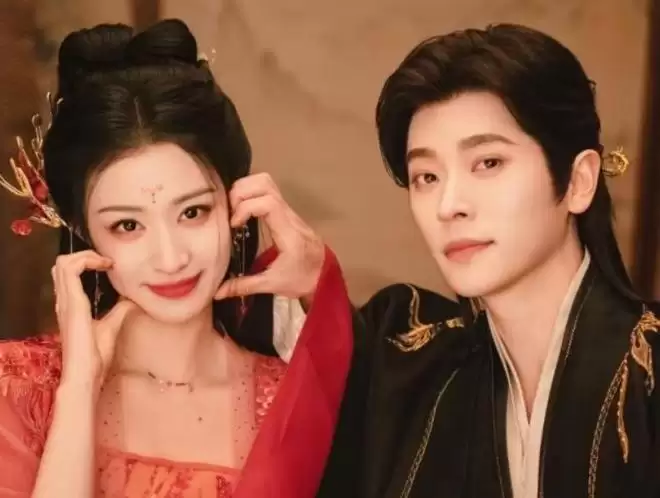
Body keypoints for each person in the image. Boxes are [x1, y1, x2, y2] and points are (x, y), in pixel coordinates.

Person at [0, 19, 353, 498]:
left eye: (192, 212)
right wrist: (79, 388)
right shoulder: (16, 387)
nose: (170, 258)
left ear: (235, 202)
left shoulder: (289, 398)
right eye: (128, 226)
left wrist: (316, 284)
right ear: (83, 231)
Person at [317, 23, 660, 498]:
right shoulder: (416, 372)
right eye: (426, 176)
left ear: (578, 181)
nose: (449, 206)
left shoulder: (648, 374)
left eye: (488, 163)